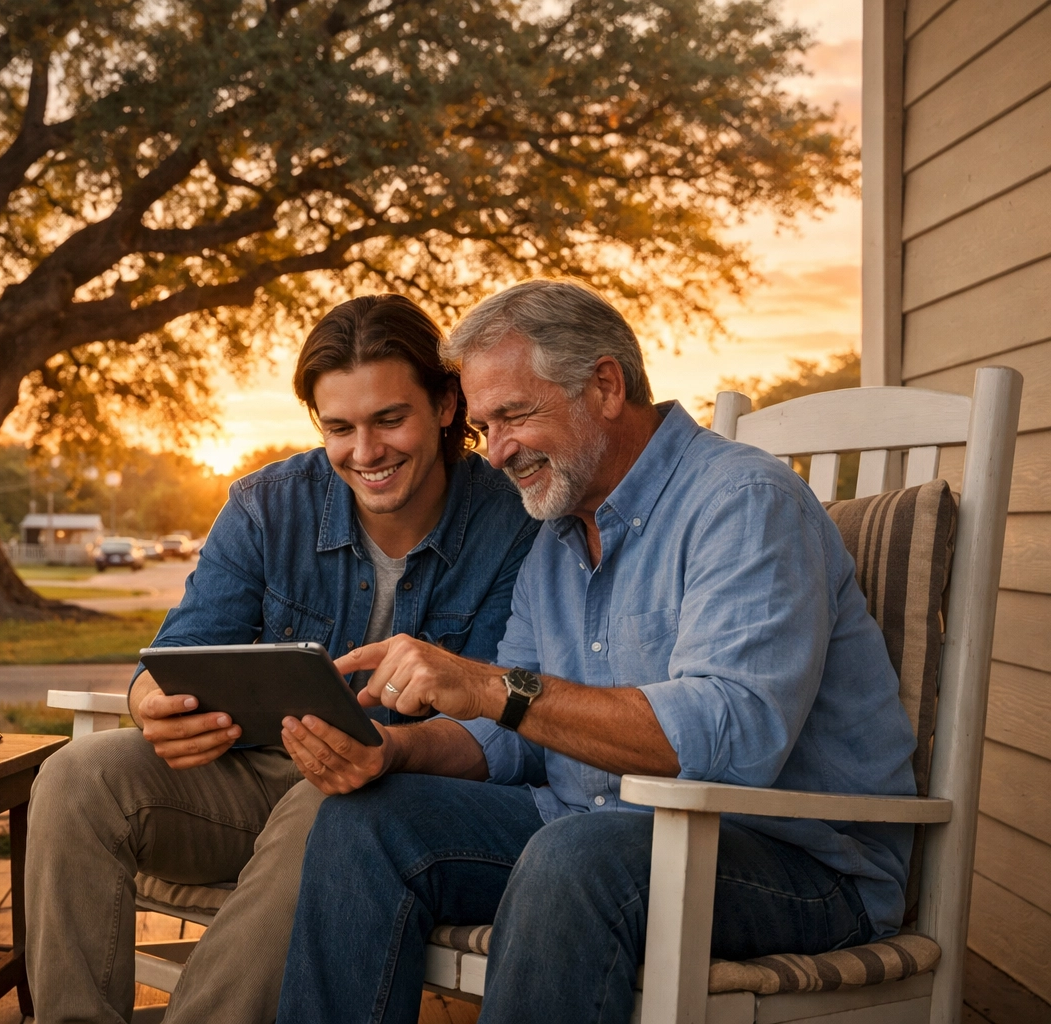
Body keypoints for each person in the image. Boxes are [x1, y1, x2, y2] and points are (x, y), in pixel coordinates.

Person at [274, 280, 918, 1024]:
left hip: (792, 860)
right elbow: (508, 740)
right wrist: (393, 751)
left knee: (576, 858)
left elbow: (732, 738)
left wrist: (492, 687)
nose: (499, 451)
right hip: (587, 832)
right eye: (483, 427)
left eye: (514, 415)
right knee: (368, 821)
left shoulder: (742, 500)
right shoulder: (553, 537)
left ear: (606, 385)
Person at [21, 294, 540, 1024]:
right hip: (255, 774)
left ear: (447, 403)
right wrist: (153, 707)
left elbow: (503, 723)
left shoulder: (513, 522)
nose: (366, 453)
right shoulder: (268, 504)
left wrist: (386, 753)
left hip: (409, 791)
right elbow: (174, 655)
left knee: (330, 804)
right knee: (75, 775)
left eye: (390, 418)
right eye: (340, 428)